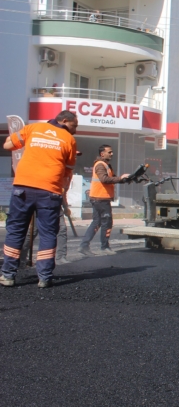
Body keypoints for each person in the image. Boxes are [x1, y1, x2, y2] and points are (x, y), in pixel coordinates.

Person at [0, 111, 78, 288]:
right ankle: (44, 277)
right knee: (48, 233)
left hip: (23, 188)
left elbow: (8, 145)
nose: (75, 130)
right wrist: (63, 193)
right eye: (74, 126)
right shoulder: (69, 139)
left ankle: (8, 275)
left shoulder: (33, 128)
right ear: (64, 120)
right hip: (50, 191)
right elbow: (68, 170)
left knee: (16, 230)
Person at [79, 145, 130, 256]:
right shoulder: (100, 165)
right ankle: (104, 247)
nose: (112, 154)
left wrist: (125, 179)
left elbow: (113, 179)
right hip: (101, 198)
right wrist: (120, 178)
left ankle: (84, 246)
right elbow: (104, 179)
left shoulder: (106, 165)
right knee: (107, 222)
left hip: (98, 198)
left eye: (112, 152)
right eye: (109, 152)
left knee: (97, 222)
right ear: (102, 154)